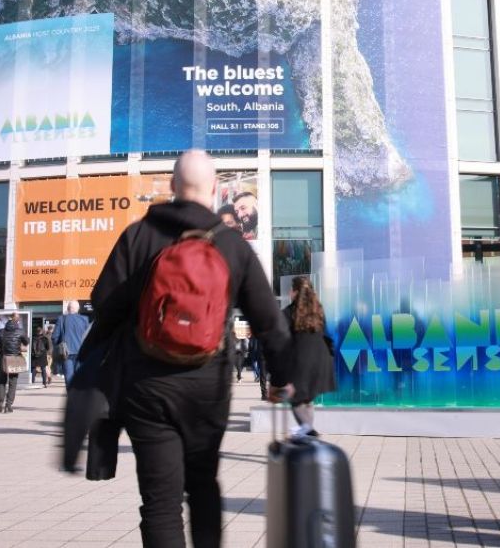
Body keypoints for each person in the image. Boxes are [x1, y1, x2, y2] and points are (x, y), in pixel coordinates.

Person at [87, 150, 292, 548]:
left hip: (146, 387)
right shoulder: (233, 244)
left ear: (172, 187)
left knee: (160, 503)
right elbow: (270, 323)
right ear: (215, 191)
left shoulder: (138, 234)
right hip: (207, 386)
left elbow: (103, 303)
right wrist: (283, 381)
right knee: (202, 486)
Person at [284, 276, 336, 437]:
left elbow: (281, 339)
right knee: (307, 400)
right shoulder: (318, 310)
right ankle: (307, 435)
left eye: (291, 289)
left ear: (295, 292)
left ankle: (309, 431)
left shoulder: (289, 312)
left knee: (294, 397)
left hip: (301, 361)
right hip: (322, 360)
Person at [0, 312, 29, 413]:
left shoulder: (0, 332)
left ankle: (0, 403)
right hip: (15, 359)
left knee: (2, 381)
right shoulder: (20, 331)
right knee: (13, 382)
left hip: (3, 358)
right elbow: (27, 342)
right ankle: (9, 405)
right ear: (17, 322)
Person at [52, 301, 91, 389]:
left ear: (68, 308)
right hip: (81, 353)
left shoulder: (61, 319)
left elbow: (54, 337)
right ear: (78, 309)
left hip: (66, 353)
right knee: (80, 377)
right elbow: (89, 337)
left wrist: (58, 346)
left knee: (69, 378)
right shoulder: (85, 319)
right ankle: (79, 398)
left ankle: (71, 398)